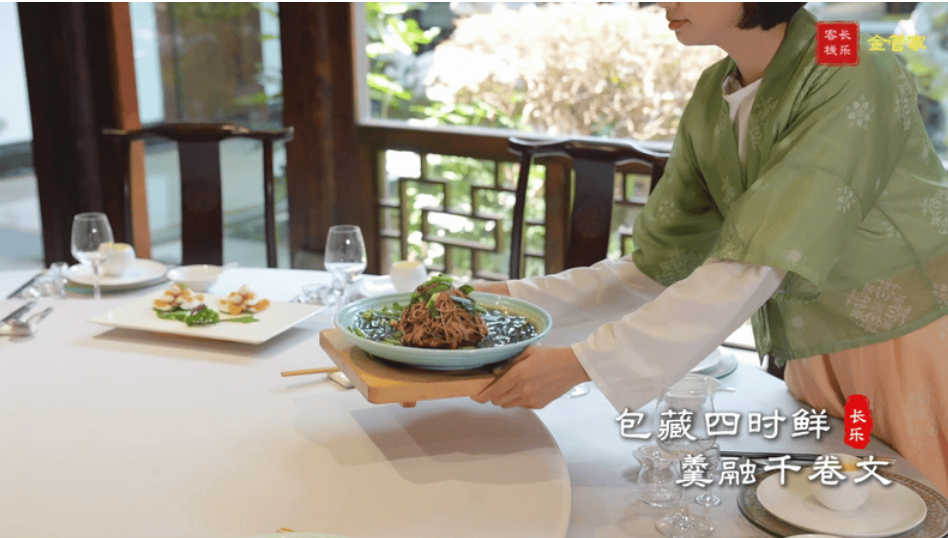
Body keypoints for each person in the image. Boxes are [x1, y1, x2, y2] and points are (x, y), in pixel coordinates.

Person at [471, 3, 948, 496]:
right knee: (837, 505)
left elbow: (759, 259)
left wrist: (585, 363)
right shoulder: (713, 92)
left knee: (923, 502)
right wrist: (505, 300)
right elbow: (660, 266)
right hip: (818, 349)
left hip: (914, 336)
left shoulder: (850, 61)